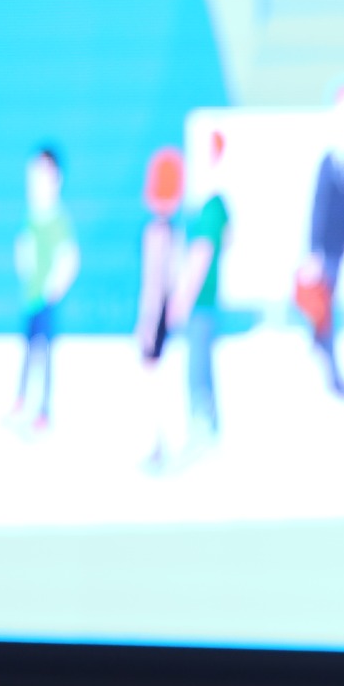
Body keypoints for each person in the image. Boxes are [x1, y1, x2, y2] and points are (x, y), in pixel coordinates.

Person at [301, 85, 344, 400]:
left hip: (338, 249)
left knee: (328, 310)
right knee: (326, 312)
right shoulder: (329, 160)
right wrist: (313, 250)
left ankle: (320, 347)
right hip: (326, 251)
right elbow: (320, 206)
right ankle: (330, 368)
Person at [13, 146, 78, 432]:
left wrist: (55, 285)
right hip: (30, 293)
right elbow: (24, 247)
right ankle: (21, 399)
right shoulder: (32, 215)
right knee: (29, 349)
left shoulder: (58, 219)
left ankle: (43, 410)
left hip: (47, 297)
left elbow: (70, 257)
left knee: (45, 352)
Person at [133, 147, 184, 470]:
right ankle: (161, 445)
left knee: (153, 384)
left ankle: (159, 446)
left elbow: (152, 283)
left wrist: (147, 323)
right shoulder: (175, 233)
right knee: (161, 381)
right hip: (167, 313)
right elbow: (173, 279)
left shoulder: (154, 233)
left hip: (156, 315)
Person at [179, 130, 230, 449]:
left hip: (201, 299)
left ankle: (202, 423)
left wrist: (183, 298)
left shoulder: (211, 207)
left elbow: (201, 253)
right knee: (203, 361)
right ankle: (209, 423)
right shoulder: (218, 206)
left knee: (197, 364)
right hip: (209, 298)